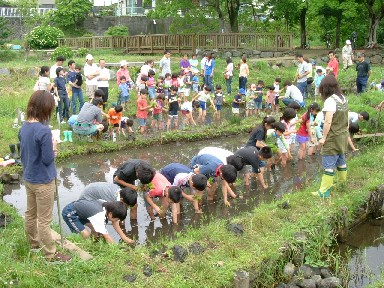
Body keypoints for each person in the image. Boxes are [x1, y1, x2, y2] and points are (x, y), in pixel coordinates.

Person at [19, 90, 71, 262]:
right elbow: (48, 159)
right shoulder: (44, 131)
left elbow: (25, 153)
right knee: (44, 220)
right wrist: (54, 145)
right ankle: (50, 254)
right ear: (45, 108)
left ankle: (34, 245)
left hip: (29, 178)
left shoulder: (24, 127)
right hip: (43, 181)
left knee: (30, 214)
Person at [313, 75, 349, 198]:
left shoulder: (330, 101)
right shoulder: (343, 98)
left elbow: (328, 121)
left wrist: (323, 138)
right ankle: (342, 185)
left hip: (333, 136)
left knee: (328, 163)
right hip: (343, 134)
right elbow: (346, 118)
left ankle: (324, 192)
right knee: (341, 160)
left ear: (326, 88)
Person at [62, 200, 127, 244]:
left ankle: (93, 244)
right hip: (70, 213)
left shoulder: (108, 206)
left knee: (96, 230)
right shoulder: (99, 215)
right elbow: (107, 237)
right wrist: (116, 248)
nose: (116, 221)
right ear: (110, 214)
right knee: (86, 234)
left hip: (82, 213)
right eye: (117, 219)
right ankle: (84, 247)